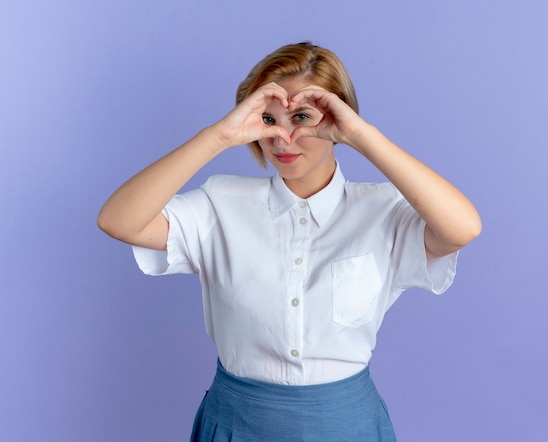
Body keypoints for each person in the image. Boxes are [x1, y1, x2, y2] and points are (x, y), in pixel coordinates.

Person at [97, 41, 481, 441]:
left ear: (338, 117)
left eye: (301, 117)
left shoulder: (384, 211)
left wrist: (361, 136)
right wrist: (219, 136)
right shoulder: (220, 204)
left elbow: (463, 228)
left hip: (347, 427)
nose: (283, 137)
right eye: (268, 119)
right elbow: (118, 220)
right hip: (236, 425)